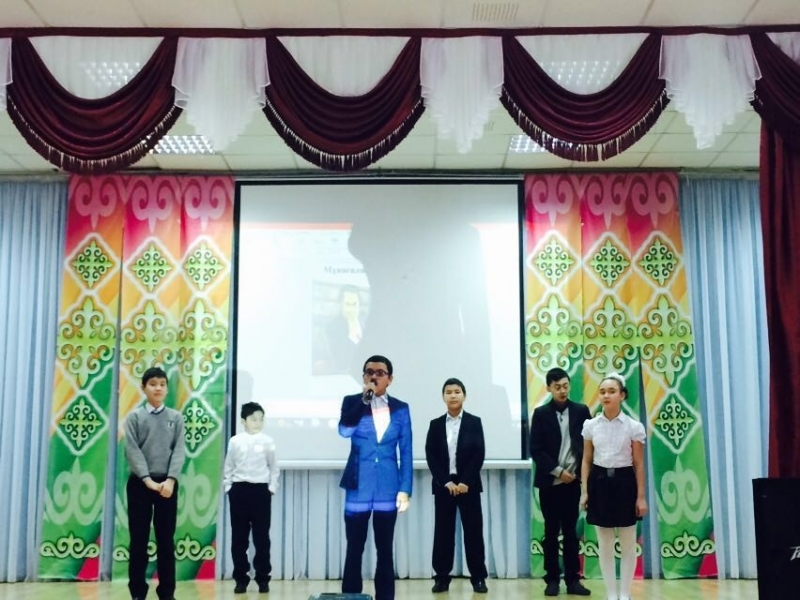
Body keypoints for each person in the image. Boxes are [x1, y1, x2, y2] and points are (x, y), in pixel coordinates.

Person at [338, 355, 412, 600]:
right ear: (363, 377)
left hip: (388, 487)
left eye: (380, 373)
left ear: (390, 379)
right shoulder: (351, 402)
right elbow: (344, 431)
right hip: (358, 486)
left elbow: (406, 451)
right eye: (369, 372)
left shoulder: (401, 408)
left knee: (385, 550)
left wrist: (405, 489)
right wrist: (364, 401)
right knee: (354, 548)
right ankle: (351, 597)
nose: (374, 376)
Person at [580, 373, 648, 600]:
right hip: (599, 482)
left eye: (611, 391)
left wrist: (641, 497)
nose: (606, 395)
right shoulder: (590, 426)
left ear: (622, 395)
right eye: (602, 392)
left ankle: (625, 594)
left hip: (625, 483)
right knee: (605, 543)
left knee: (628, 542)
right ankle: (611, 593)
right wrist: (584, 492)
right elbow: (586, 461)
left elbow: (638, 464)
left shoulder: (633, 426)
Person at [124, 366, 186, 600]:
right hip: (140, 485)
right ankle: (138, 592)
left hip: (167, 486)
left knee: (166, 540)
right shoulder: (135, 417)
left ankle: (167, 592)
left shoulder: (176, 418)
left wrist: (170, 480)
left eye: (162, 384)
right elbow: (132, 451)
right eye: (152, 384)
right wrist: (147, 480)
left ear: (167, 389)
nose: (158, 388)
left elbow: (179, 451)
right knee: (138, 540)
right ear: (143, 388)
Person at [529, 367, 592, 597]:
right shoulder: (540, 414)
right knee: (551, 532)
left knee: (571, 532)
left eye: (565, 386)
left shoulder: (581, 411)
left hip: (573, 483)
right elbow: (536, 449)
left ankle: (573, 580)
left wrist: (578, 474)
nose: (562, 390)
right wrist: (558, 472)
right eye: (557, 387)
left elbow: (589, 444)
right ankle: (552, 579)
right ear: (549, 388)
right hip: (550, 483)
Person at [425, 378, 488, 594]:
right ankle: (441, 577)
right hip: (444, 486)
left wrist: (464, 482)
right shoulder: (435, 424)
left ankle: (478, 578)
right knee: (443, 533)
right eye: (449, 392)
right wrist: (446, 482)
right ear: (443, 397)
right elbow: (431, 456)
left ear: (464, 395)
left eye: (457, 391)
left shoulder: (474, 422)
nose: (453, 395)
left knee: (473, 533)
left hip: (468, 486)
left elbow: (479, 453)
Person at [223, 401, 280, 594]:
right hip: (239, 490)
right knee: (239, 538)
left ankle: (263, 578)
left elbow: (274, 467)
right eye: (253, 419)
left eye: (261, 419)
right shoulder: (235, 441)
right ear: (243, 421)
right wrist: (229, 487)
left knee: (262, 538)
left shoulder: (268, 441)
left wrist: (271, 488)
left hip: (261, 492)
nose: (258, 423)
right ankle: (241, 578)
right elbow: (228, 466)